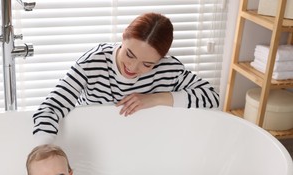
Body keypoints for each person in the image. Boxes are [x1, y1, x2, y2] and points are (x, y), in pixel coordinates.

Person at [32, 12, 220, 144]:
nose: (133, 67)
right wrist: (44, 150)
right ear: (123, 38)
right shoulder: (93, 62)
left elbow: (212, 98)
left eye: (147, 64)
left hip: (141, 145)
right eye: (129, 54)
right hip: (94, 143)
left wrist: (155, 98)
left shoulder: (168, 69)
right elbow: (52, 107)